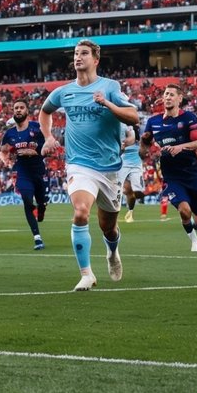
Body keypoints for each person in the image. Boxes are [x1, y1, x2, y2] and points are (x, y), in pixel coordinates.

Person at [40, 39, 139, 291]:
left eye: (84, 53)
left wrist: (107, 103)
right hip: (78, 164)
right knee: (81, 211)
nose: (78, 57)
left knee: (108, 227)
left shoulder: (110, 86)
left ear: (95, 59)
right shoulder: (63, 91)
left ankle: (112, 251)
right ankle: (86, 273)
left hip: (109, 168)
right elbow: (45, 111)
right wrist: (48, 136)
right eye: (75, 53)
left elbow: (134, 116)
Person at [142, 83, 197, 252]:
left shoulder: (188, 118)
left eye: (172, 94)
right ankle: (194, 241)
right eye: (166, 94)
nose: (168, 97)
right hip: (171, 176)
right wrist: (144, 142)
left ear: (180, 99)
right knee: (185, 211)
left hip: (192, 173)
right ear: (162, 98)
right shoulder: (153, 122)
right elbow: (142, 152)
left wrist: (181, 147)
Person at [0, 99, 48, 250]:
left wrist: (35, 151)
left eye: (21, 108)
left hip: (39, 169)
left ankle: (41, 207)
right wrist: (5, 160)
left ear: (27, 111)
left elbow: (48, 144)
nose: (18, 110)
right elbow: (3, 150)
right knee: (27, 199)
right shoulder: (10, 133)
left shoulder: (37, 128)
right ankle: (37, 238)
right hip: (21, 170)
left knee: (41, 201)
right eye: (16, 108)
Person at [117, 123, 146, 225]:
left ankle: (130, 211)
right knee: (119, 189)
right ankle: (114, 213)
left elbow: (143, 150)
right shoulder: (121, 134)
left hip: (136, 165)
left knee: (135, 192)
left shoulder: (138, 138)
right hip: (123, 164)